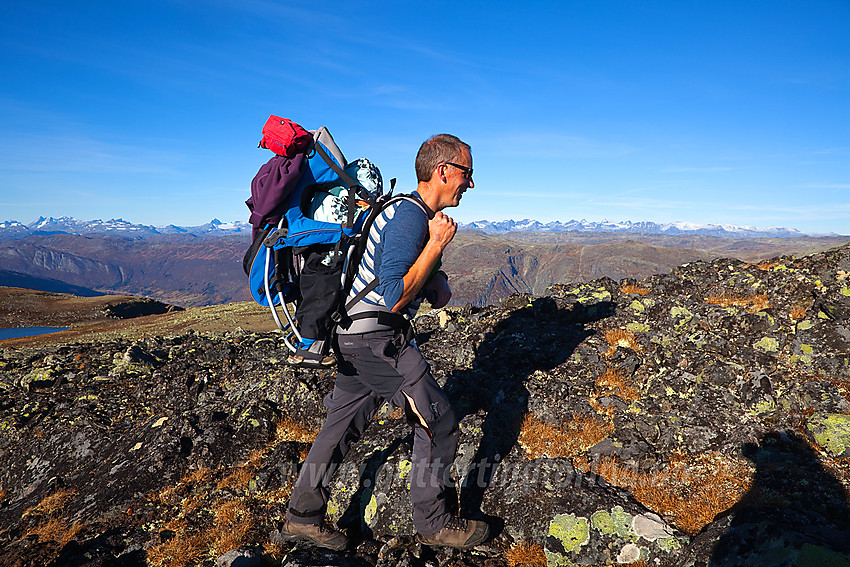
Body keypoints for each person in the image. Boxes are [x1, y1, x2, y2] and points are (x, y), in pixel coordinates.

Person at [280, 134, 488, 550]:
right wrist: (436, 245)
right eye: (468, 172)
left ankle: (302, 517)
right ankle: (434, 524)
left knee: (338, 428)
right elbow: (394, 294)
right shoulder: (411, 218)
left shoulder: (410, 215)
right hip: (377, 339)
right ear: (442, 171)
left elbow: (429, 290)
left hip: (352, 337)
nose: (472, 183)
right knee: (439, 421)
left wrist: (436, 271)